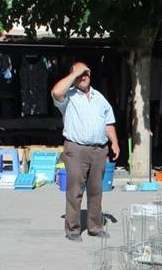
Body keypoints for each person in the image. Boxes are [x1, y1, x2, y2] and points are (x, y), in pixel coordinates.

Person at [51, 61, 119, 241]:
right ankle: (73, 229)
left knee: (96, 190)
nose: (83, 77)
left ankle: (95, 227)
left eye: (86, 73)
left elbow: (108, 121)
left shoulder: (99, 97)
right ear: (72, 77)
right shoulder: (68, 97)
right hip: (76, 149)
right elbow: (56, 92)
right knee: (75, 190)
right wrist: (75, 73)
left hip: (99, 149)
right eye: (79, 74)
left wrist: (115, 142)